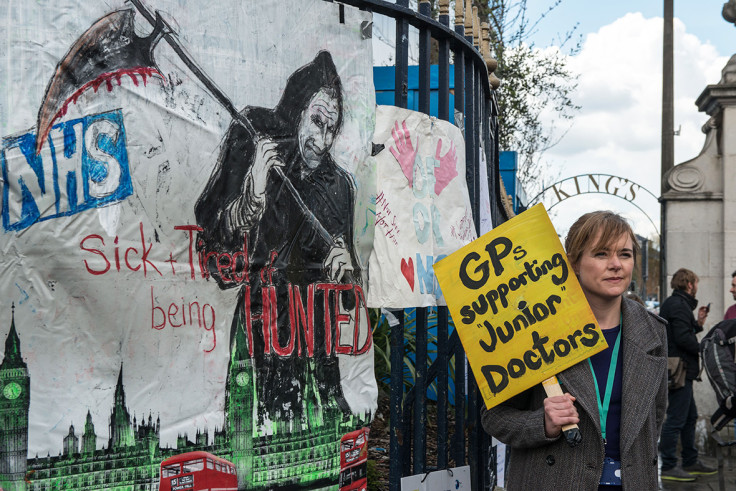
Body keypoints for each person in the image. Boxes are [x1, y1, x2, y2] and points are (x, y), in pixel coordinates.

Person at [195, 51, 362, 421]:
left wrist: (347, 271)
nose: (323, 140)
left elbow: (354, 300)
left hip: (320, 351)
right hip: (264, 339)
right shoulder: (254, 143)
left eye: (332, 129)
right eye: (316, 122)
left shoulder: (340, 187)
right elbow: (215, 257)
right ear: (296, 111)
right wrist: (251, 198)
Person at [481, 211, 668, 490]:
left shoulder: (654, 331)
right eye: (602, 254)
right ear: (574, 263)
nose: (616, 265)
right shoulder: (534, 328)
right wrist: (542, 423)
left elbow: (655, 417)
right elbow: (494, 417)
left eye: (625, 254)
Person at [658, 268, 717, 481]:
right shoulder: (679, 305)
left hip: (681, 370)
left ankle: (691, 461)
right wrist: (704, 348)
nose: (697, 287)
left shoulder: (676, 304)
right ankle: (669, 466)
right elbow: (683, 338)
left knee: (689, 416)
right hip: (680, 371)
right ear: (690, 284)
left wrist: (699, 322)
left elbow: (683, 331)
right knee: (676, 418)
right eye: (696, 283)